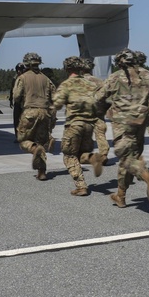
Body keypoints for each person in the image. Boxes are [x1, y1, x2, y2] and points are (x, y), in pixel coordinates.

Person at [94, 49, 149, 207]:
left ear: (119, 63)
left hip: (122, 124)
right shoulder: (147, 75)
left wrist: (102, 110)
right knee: (129, 159)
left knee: (126, 157)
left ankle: (147, 176)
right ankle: (121, 195)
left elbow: (98, 98)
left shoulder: (115, 77)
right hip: (140, 123)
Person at [52, 56, 106, 196]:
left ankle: (81, 186)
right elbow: (100, 102)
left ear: (66, 68)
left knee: (69, 155)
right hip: (89, 125)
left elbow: (57, 104)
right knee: (81, 154)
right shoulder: (91, 85)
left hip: (74, 125)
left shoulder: (66, 84)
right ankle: (93, 158)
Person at [12, 53, 56, 180]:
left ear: (26, 63)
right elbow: (55, 97)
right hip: (44, 113)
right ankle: (41, 172)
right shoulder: (46, 79)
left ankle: (34, 148)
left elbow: (16, 96)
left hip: (30, 112)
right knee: (40, 142)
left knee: (23, 141)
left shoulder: (22, 78)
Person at [79, 57, 111, 160]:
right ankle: (104, 154)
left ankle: (85, 156)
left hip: (84, 112)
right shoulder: (100, 82)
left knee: (85, 134)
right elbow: (107, 96)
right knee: (100, 133)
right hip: (98, 112)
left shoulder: (78, 81)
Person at [9, 63, 26, 142]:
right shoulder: (15, 78)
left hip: (25, 102)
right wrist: (10, 100)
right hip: (17, 102)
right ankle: (17, 136)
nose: (19, 71)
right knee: (16, 120)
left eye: (20, 69)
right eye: (18, 70)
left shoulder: (26, 78)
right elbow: (12, 89)